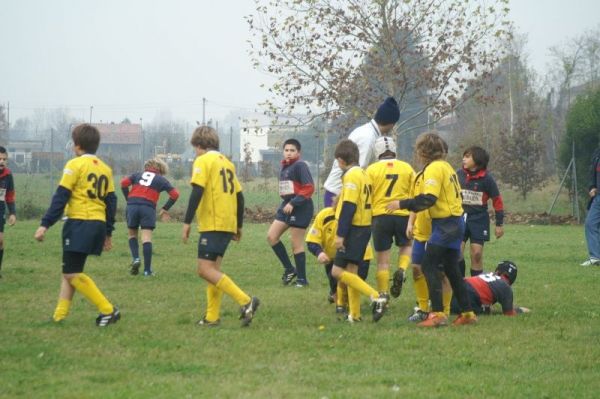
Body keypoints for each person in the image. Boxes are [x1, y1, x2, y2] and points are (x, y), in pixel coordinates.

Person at [34, 124, 120, 327]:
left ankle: (108, 310)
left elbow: (61, 196)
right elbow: (111, 202)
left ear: (77, 145)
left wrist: (45, 224)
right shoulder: (105, 168)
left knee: (72, 273)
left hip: (79, 222)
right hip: (97, 223)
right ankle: (58, 317)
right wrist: (108, 232)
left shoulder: (74, 165)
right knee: (70, 272)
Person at [390, 132, 476, 327]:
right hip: (455, 222)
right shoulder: (446, 167)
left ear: (423, 151)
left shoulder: (434, 169)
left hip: (446, 224)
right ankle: (468, 313)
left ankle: (437, 314)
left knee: (428, 266)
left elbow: (429, 198)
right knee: (452, 270)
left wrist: (402, 204)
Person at [182, 126, 259, 327]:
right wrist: (239, 226)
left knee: (204, 270)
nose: (195, 153)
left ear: (199, 146)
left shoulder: (203, 160)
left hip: (213, 222)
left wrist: (187, 222)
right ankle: (212, 317)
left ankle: (245, 300)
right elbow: (240, 197)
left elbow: (197, 191)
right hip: (227, 222)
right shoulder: (227, 163)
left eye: (195, 148)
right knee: (214, 270)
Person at [329, 139, 387, 322]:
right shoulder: (363, 173)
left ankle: (376, 296)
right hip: (364, 228)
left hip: (354, 229)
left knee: (337, 272)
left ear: (340, 160)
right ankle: (355, 314)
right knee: (351, 273)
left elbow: (349, 205)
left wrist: (340, 234)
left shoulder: (352, 175)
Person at [305, 195, 373, 321]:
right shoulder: (324, 216)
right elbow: (311, 240)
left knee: (352, 281)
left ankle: (359, 307)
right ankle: (340, 301)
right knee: (336, 281)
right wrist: (319, 253)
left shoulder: (359, 221)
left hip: (360, 257)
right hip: (332, 258)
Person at [323, 97, 400, 207]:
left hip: (344, 192)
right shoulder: (368, 139)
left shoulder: (366, 131)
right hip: (339, 194)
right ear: (392, 123)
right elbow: (359, 170)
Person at [366, 136, 414, 299]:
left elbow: (367, 194)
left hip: (380, 216)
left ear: (376, 151)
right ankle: (401, 269)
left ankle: (383, 293)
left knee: (382, 260)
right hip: (403, 214)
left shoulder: (371, 170)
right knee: (407, 245)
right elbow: (416, 191)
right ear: (394, 149)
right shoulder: (407, 168)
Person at [267, 139, 315, 287]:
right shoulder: (285, 166)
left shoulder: (300, 165)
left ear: (298, 153)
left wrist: (294, 202)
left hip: (300, 207)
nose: (289, 152)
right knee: (271, 236)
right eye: (286, 150)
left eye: (292, 150)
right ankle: (289, 269)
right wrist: (288, 201)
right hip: (287, 205)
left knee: (296, 244)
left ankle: (302, 280)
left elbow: (309, 188)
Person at [121, 158, 180, 276]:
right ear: (160, 168)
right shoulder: (161, 179)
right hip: (147, 207)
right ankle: (147, 271)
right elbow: (175, 194)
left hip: (132, 205)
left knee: (132, 234)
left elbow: (123, 183)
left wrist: (129, 199)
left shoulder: (137, 174)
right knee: (146, 237)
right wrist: (165, 208)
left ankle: (136, 258)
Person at [457, 146, 504, 276]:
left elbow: (497, 200)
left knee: (476, 254)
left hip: (479, 219)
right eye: (464, 156)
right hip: (460, 217)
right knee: (457, 252)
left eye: (467, 157)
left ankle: (476, 286)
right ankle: (460, 284)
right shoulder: (458, 174)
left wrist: (499, 224)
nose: (463, 159)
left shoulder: (487, 179)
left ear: (477, 160)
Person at [450, 260, 530, 316]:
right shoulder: (506, 288)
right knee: (486, 311)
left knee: (452, 309)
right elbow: (509, 313)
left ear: (497, 271)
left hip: (458, 288)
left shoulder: (486, 273)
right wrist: (520, 310)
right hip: (471, 297)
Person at [582, 147, 600, 266]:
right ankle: (595, 257)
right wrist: (592, 186)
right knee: (590, 223)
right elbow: (593, 171)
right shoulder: (598, 152)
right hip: (598, 197)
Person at [0, 146, 16, 278]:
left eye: (4, 159)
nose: (1, 161)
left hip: (0, 211)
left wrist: (12, 213)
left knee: (0, 241)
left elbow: (9, 196)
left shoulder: (8, 175)